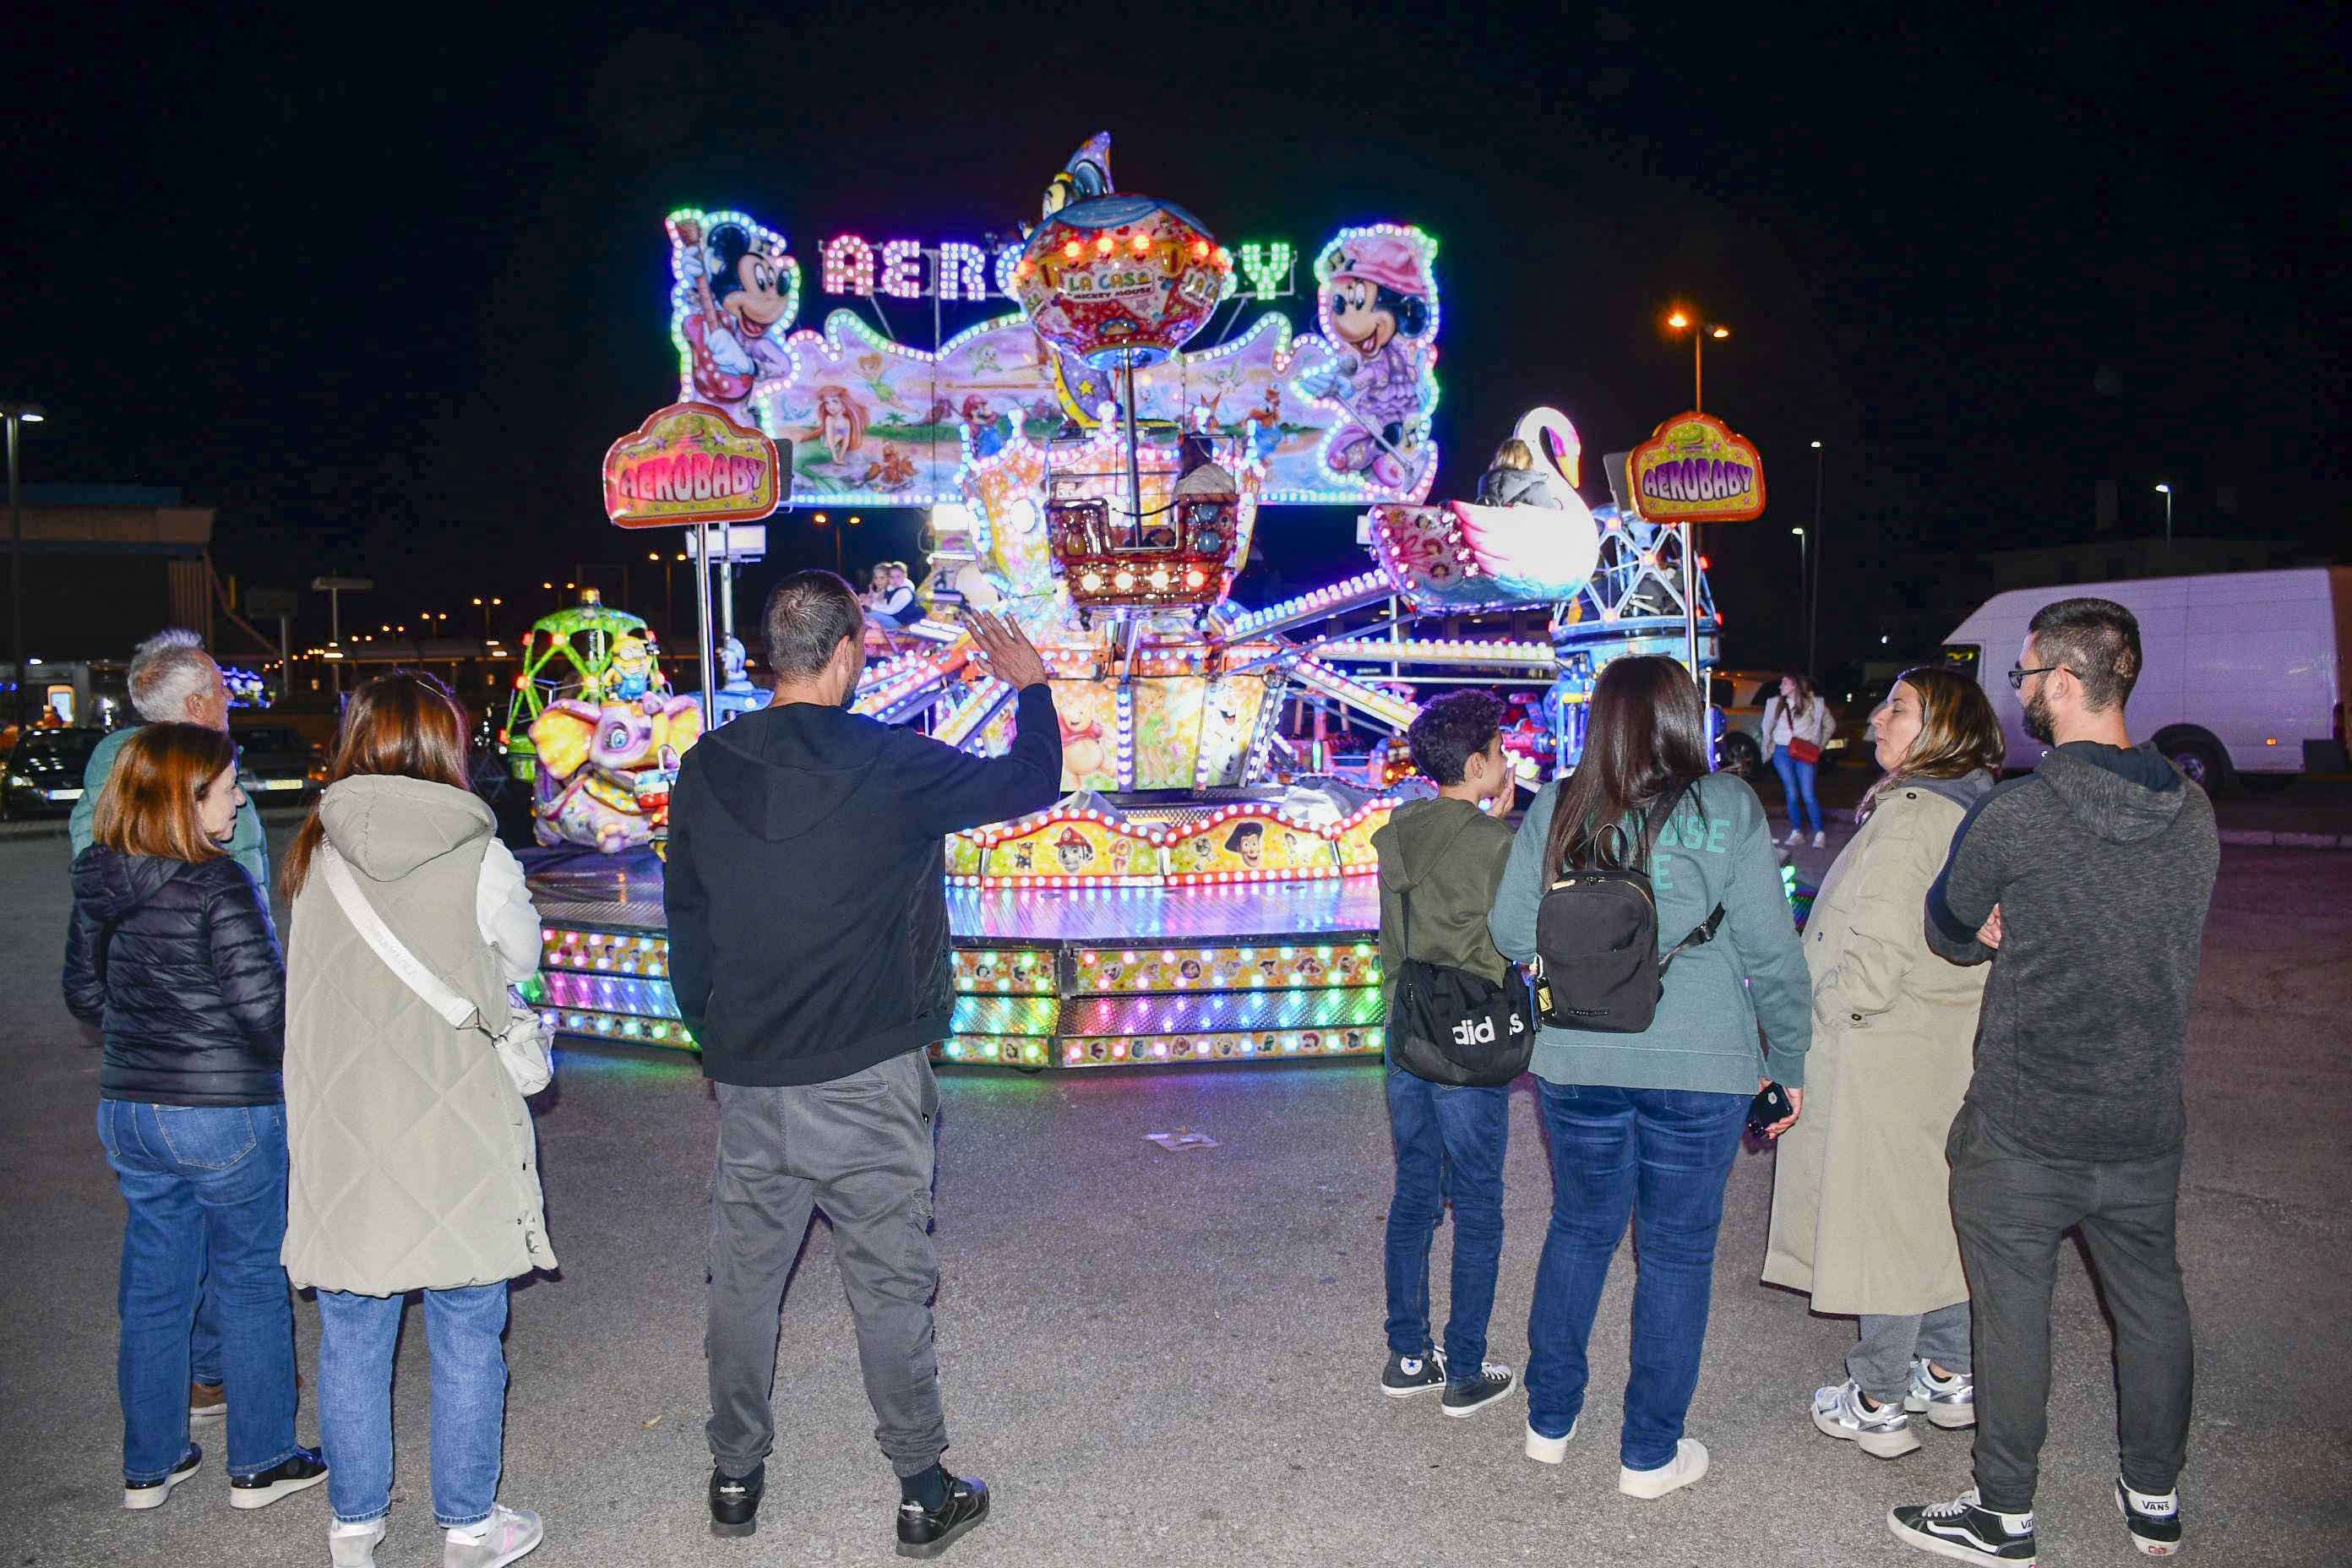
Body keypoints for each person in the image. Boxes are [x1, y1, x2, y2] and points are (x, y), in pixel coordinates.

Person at [666, 574, 1061, 1554]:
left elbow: (690, 923)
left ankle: (734, 1475)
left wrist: (713, 1039)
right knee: (888, 1285)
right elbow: (1029, 781)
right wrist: (1033, 686)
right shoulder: (889, 763)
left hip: (754, 1074)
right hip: (871, 1072)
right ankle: (922, 1489)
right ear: (845, 655)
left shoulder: (706, 767)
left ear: (773, 654)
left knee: (744, 1283)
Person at [1891, 599, 2219, 1565]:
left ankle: (2006, 1513)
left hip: (2025, 1120)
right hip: (2143, 1114)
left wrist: (1992, 922)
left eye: (2026, 675)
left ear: (2065, 684)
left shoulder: (2018, 812)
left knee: (2012, 1312)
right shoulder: (2194, 811)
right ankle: (2153, 1495)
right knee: (2153, 1302)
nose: (2020, 690)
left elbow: (1948, 927)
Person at [1489, 654, 1809, 1498]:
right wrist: (1791, 1061)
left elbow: (1512, 930)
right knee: (1674, 1256)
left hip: (1577, 1055)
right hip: (1701, 1064)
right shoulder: (1729, 803)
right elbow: (1773, 952)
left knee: (1579, 1228)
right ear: (1682, 718)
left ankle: (1549, 1423)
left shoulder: (1559, 804)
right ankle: (1648, 1453)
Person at [277, 673, 552, 1568]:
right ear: (446, 742)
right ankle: (469, 1528)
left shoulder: (313, 849)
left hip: (344, 1124)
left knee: (354, 1333)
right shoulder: (479, 849)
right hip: (455, 1122)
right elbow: (523, 952)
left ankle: (353, 1529)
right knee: (468, 1326)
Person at [63, 723, 327, 1512]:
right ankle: (261, 1460)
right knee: (248, 1280)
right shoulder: (217, 884)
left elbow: (84, 994)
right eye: (226, 787)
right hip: (220, 1112)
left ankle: (150, 1464)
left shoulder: (96, 874)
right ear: (187, 798)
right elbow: (262, 1011)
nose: (240, 798)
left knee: (154, 1287)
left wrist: (147, 1037)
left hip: (128, 1111)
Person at [1761, 666, 2006, 1459]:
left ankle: (1877, 1396)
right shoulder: (1970, 806)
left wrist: (1810, 1030)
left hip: (1880, 1050)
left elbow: (1873, 957)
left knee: (1880, 1223)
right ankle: (1951, 1369)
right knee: (1929, 1215)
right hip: (1936, 1043)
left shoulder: (1912, 814)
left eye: (1898, 708)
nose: (1875, 719)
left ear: (1941, 728)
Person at [69, 629, 264, 1427]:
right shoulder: (185, 782)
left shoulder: (114, 786)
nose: (229, 696)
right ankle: (245, 1429)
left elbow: (87, 978)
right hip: (217, 1067)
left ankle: (150, 1453)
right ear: (192, 704)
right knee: (243, 1252)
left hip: (137, 1080)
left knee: (158, 1253)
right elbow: (254, 996)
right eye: (221, 685)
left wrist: (138, 1018)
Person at [1372, 690, 1522, 1418]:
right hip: (1467, 1042)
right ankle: (1464, 1369)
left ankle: (1408, 1354)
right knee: (1481, 1205)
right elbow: (1519, 934)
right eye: (1498, 751)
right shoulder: (1496, 844)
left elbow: (1438, 870)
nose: (1506, 760)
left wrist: (1483, 820)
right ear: (1475, 762)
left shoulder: (1400, 829)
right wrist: (1500, 829)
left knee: (1415, 1195)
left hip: (1405, 1035)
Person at [1761, 672, 1835, 848]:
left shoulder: (1815, 704)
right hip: (1781, 751)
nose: (1780, 687)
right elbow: (1766, 727)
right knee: (1791, 791)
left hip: (1804, 751)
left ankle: (1819, 832)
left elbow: (1830, 724)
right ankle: (1797, 832)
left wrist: (1820, 746)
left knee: (1808, 793)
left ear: (1794, 685)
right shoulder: (1775, 703)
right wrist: (1767, 748)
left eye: (1784, 683)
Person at [1473, 438, 1563, 509]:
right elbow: (1549, 512)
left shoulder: (1486, 482)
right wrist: (1559, 505)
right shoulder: (1537, 484)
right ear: (1528, 458)